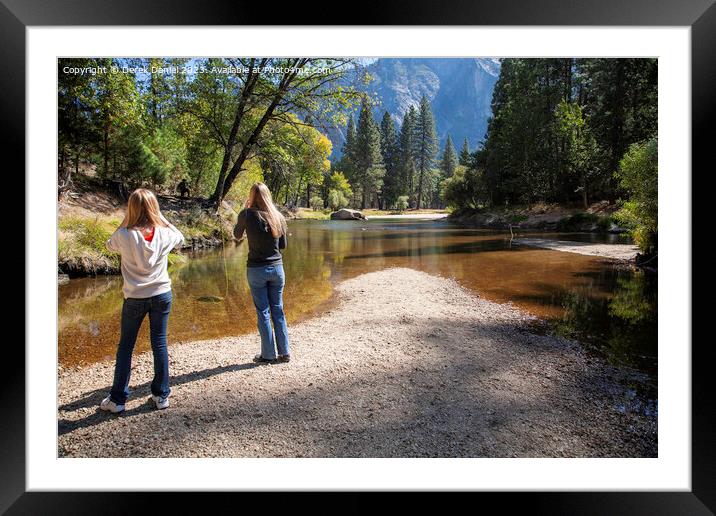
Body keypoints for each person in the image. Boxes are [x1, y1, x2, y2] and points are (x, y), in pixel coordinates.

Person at [100, 188, 185, 413]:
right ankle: (161, 395)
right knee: (159, 342)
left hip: (135, 297)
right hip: (161, 294)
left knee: (126, 346)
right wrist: (162, 218)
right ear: (154, 208)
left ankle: (118, 400)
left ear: (131, 210)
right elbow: (180, 237)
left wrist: (125, 221)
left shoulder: (124, 235)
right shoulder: (165, 233)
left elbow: (109, 245)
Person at [234, 182, 291, 365]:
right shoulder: (278, 217)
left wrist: (244, 212)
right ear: (268, 196)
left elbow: (236, 235)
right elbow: (283, 246)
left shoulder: (246, 214)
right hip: (277, 269)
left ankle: (268, 355)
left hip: (256, 270)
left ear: (251, 196)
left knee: (263, 312)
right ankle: (285, 352)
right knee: (278, 310)